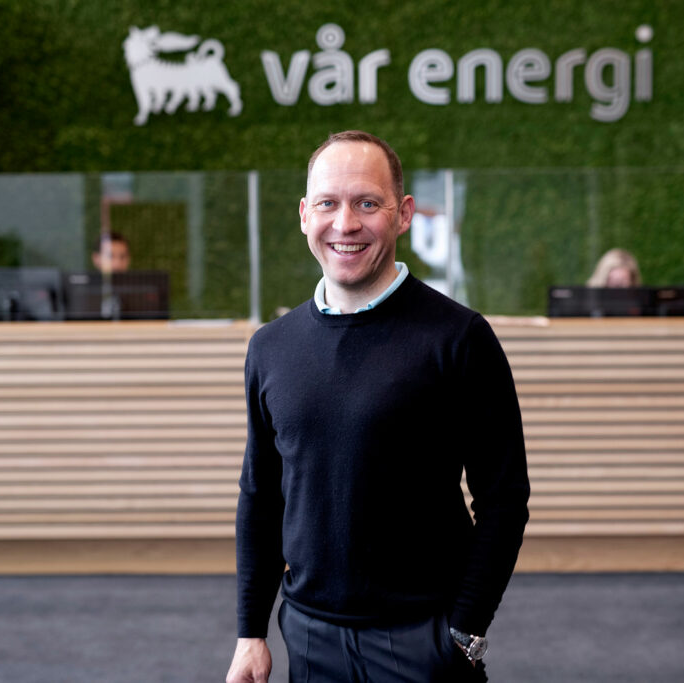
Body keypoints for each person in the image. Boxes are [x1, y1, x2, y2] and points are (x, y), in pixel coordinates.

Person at [227, 131, 530, 683]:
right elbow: (261, 496)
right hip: (308, 633)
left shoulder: (459, 338)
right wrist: (251, 631)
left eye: (367, 203)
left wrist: (464, 633)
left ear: (404, 213)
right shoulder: (270, 347)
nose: (345, 224)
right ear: (303, 214)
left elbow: (504, 499)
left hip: (425, 638)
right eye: (328, 203)